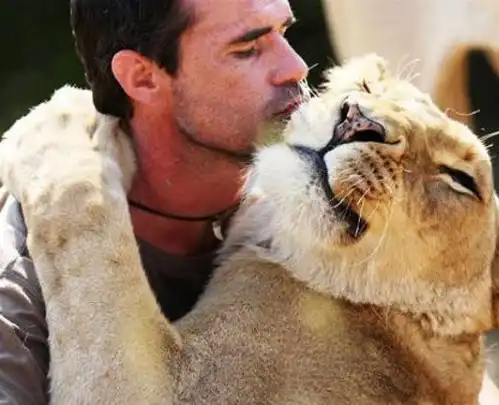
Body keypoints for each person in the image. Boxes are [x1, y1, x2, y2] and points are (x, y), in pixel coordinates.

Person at [0, 0, 308, 403]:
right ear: (142, 78)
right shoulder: (21, 283)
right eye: (247, 49)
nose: (296, 68)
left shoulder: (334, 221)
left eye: (283, 32)